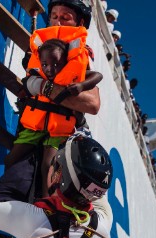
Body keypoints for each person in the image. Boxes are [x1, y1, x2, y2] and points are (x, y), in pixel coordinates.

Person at [6, 38, 103, 197]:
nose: (50, 69)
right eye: (45, 65)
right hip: (34, 127)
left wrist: (81, 86)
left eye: (56, 65)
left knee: (48, 165)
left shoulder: (73, 75)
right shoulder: (37, 73)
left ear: (65, 62)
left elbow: (97, 76)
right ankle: (11, 192)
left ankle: (47, 203)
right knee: (11, 159)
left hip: (59, 130)